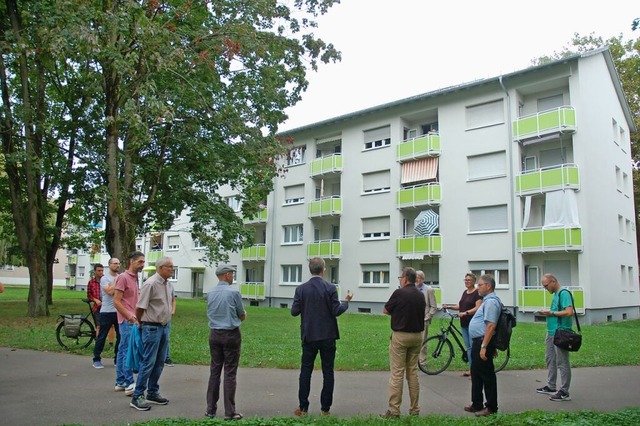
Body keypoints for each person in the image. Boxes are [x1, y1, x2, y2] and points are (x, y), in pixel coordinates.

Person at [291, 257, 352, 417]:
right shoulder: (330, 288)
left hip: (309, 335)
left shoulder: (301, 289)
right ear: (323, 270)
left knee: (305, 371)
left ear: (310, 270)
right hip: (328, 336)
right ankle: (325, 409)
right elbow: (336, 311)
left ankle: (303, 408)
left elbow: (294, 311)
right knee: (328, 371)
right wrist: (346, 302)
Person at [129, 256, 174, 411]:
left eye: (172, 266)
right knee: (148, 361)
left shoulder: (168, 284)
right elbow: (140, 306)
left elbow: (170, 302)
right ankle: (137, 396)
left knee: (160, 362)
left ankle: (152, 392)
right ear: (160, 268)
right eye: (169, 266)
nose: (172, 269)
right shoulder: (151, 283)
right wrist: (140, 322)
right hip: (152, 327)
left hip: (164, 327)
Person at [381, 267, 426, 418]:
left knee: (397, 373)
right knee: (413, 372)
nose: (400, 280)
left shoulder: (399, 293)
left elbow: (386, 310)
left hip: (401, 336)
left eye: (400, 277)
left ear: (405, 278)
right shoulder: (420, 295)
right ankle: (414, 409)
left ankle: (394, 410)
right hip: (417, 337)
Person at [206, 264, 246, 420]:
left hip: (214, 334)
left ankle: (210, 409)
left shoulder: (209, 292)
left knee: (214, 371)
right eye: (232, 274)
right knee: (230, 372)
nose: (233, 277)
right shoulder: (234, 292)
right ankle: (230, 412)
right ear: (227, 275)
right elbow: (241, 314)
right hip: (231, 335)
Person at [464, 274, 501, 417]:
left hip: (482, 342)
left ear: (488, 286)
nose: (478, 287)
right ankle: (477, 403)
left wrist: (485, 346)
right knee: (477, 373)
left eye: (480, 285)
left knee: (487, 375)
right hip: (478, 341)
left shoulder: (491, 302)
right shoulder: (487, 301)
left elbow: (491, 325)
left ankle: (491, 407)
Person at [536, 273, 574, 402]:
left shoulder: (564, 293)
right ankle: (551, 386)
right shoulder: (555, 294)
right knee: (550, 359)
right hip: (551, 332)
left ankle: (564, 391)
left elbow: (569, 312)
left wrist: (550, 312)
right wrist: (547, 313)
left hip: (561, 333)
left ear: (553, 281)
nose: (545, 288)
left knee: (562, 362)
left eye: (546, 285)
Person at [114, 251, 145, 397]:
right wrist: (130, 317)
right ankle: (128, 383)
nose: (142, 264)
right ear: (131, 262)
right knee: (127, 350)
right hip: (127, 320)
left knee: (122, 349)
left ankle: (120, 381)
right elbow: (116, 301)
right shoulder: (123, 277)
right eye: (140, 261)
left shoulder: (136, 278)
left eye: (143, 262)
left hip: (133, 319)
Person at [443, 272, 482, 377]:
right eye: (465, 280)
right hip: (464, 324)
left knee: (473, 348)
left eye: (469, 280)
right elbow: (461, 306)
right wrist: (449, 307)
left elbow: (478, 308)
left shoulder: (477, 293)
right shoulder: (465, 292)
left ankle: (476, 371)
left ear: (474, 281)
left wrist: (466, 313)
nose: (467, 282)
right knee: (468, 347)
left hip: (473, 324)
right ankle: (471, 370)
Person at [93, 258, 121, 370]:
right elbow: (109, 292)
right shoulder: (105, 278)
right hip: (106, 311)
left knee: (121, 336)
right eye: (115, 263)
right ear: (109, 265)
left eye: (118, 264)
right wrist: (117, 282)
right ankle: (96, 359)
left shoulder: (120, 277)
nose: (117, 265)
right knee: (102, 336)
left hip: (119, 311)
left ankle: (117, 359)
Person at [416, 270, 437, 364]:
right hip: (414, 319)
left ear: (423, 279)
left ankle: (422, 361)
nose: (417, 280)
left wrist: (428, 316)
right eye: (416, 278)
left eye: (419, 278)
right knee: (414, 340)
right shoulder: (413, 288)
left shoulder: (429, 289)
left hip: (424, 319)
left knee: (423, 341)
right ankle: (414, 360)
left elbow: (434, 306)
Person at [87, 263, 104, 362]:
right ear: (95, 271)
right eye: (99, 271)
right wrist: (95, 299)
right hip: (97, 307)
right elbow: (89, 295)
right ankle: (98, 343)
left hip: (106, 307)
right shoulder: (91, 282)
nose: (101, 272)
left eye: (102, 270)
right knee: (98, 326)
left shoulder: (105, 280)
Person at [164, 282, 176, 367]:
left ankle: (166, 357)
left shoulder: (170, 285)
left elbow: (173, 300)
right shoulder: (153, 284)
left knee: (166, 338)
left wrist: (173, 310)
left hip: (167, 318)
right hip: (156, 318)